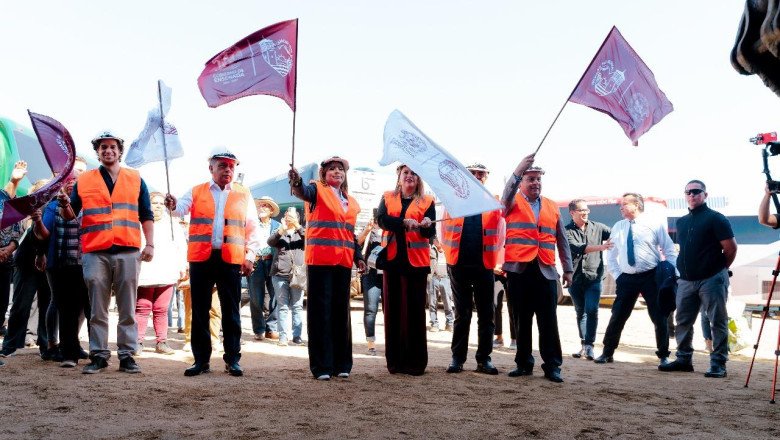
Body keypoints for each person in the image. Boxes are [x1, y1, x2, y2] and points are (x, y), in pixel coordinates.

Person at [63, 131, 154, 374]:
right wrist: (64, 204)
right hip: (95, 251)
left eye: (112, 147)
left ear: (119, 151)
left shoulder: (136, 179)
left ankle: (126, 355)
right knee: (97, 307)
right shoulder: (85, 180)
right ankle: (99, 355)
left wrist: (150, 244)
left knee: (127, 306)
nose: (108, 150)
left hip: (128, 250)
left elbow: (146, 214)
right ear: (98, 152)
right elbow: (70, 215)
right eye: (103, 147)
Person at [165, 147, 260, 377]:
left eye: (231, 166)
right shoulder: (197, 191)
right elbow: (178, 210)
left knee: (231, 311)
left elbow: (253, 229)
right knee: (199, 311)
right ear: (211, 169)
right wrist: (171, 204)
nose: (227, 170)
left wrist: (249, 257)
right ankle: (201, 360)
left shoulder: (243, 194)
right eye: (222, 166)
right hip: (201, 258)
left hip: (230, 260)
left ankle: (233, 359)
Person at [289, 156, 365, 380]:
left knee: (341, 313)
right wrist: (296, 182)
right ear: (323, 174)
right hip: (320, 260)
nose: (336, 172)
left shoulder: (350, 201)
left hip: (342, 261)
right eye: (331, 169)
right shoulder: (316, 190)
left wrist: (358, 256)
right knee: (320, 313)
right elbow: (302, 190)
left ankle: (342, 364)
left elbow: (349, 233)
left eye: (340, 169)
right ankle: (322, 366)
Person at [501, 153, 573, 383]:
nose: (535, 183)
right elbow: (506, 194)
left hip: (545, 270)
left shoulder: (552, 206)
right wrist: (518, 169)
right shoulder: (511, 203)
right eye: (530, 179)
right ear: (521, 182)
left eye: (538, 179)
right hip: (518, 270)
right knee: (521, 320)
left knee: (548, 321)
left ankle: (552, 366)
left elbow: (562, 239)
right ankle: (523, 364)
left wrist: (568, 269)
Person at [660, 180, 736, 378]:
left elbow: (731, 248)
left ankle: (718, 363)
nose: (692, 195)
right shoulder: (682, 221)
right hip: (686, 280)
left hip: (711, 279)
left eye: (696, 191)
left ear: (705, 194)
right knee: (683, 320)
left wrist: (719, 270)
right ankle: (684, 360)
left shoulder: (716, 218)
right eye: (688, 192)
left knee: (716, 321)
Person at [594, 192, 677, 367]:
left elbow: (669, 250)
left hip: (651, 276)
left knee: (659, 316)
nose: (621, 207)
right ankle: (607, 352)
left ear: (636, 205)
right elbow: (612, 254)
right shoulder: (618, 226)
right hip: (627, 280)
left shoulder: (654, 224)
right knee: (618, 316)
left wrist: (670, 274)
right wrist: (618, 276)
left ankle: (663, 356)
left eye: (624, 204)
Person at [441, 162, 502, 375]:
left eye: (481, 174)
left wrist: (495, 259)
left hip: (484, 264)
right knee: (462, 313)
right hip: (458, 263)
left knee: (487, 314)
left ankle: (484, 359)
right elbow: (443, 231)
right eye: (473, 173)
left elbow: (500, 233)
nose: (477, 177)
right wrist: (449, 258)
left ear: (486, 177)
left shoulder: (494, 202)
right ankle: (457, 358)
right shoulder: (452, 200)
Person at [377, 164, 435, 376]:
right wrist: (403, 222)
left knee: (415, 313)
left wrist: (427, 224)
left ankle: (416, 363)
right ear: (399, 177)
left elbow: (430, 232)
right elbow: (381, 220)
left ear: (419, 179)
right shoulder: (387, 197)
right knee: (392, 312)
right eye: (406, 173)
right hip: (392, 262)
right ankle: (395, 362)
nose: (410, 176)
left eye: (414, 174)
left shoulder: (427, 201)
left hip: (416, 264)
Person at [32, 158, 90, 368]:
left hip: (85, 262)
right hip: (59, 262)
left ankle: (72, 344)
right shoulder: (53, 204)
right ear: (61, 182)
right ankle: (54, 345)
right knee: (60, 303)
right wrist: (37, 222)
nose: (73, 181)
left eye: (77, 177)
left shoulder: (90, 201)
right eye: (69, 178)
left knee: (83, 304)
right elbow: (44, 234)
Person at [135, 192, 187, 355]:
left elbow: (181, 246)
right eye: (154, 203)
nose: (158, 206)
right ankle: (138, 342)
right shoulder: (139, 222)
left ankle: (161, 342)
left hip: (166, 272)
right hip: (145, 272)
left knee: (161, 309)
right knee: (142, 308)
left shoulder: (173, 223)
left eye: (160, 203)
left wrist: (182, 266)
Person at [564, 199, 612, 360]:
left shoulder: (598, 227)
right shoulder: (567, 231)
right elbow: (578, 248)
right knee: (580, 312)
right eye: (581, 211)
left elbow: (616, 234)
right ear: (572, 213)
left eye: (587, 210)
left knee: (591, 310)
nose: (585, 213)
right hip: (575, 278)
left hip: (594, 277)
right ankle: (584, 344)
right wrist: (602, 247)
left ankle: (590, 345)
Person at [267, 207, 305, 346]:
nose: (289, 217)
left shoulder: (301, 231)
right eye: (287, 215)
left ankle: (297, 336)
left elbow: (309, 239)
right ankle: (283, 337)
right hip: (279, 274)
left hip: (297, 275)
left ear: (298, 217)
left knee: (297, 306)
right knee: (282, 306)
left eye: (292, 215)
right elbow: (270, 242)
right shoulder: (279, 231)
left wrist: (297, 225)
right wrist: (282, 229)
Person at [0, 161, 26, 347]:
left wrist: (10, 248)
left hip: (5, 261)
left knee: (1, 306)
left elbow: (18, 228)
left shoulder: (5, 197)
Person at [248, 196, 281, 340]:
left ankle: (271, 328)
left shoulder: (278, 225)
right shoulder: (252, 224)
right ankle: (259, 329)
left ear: (271, 210)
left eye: (265, 206)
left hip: (273, 262)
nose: (261, 208)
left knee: (275, 296)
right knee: (256, 297)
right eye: (260, 205)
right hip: (256, 262)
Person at [357, 218, 383, 355]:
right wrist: (368, 229)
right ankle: (371, 344)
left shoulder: (390, 229)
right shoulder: (370, 229)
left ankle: (392, 342)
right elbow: (357, 243)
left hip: (388, 274)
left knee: (390, 310)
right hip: (371, 274)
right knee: (370, 309)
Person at [427, 240, 454, 333]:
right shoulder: (431, 249)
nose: (436, 241)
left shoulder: (448, 250)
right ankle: (434, 324)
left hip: (445, 278)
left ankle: (449, 323)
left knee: (447, 302)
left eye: (438, 239)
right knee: (432, 303)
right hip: (433, 278)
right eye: (435, 239)